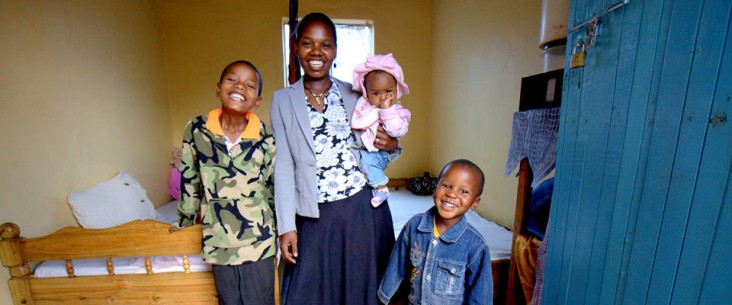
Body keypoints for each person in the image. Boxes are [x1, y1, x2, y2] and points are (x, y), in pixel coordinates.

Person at [270, 12, 401, 305]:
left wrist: (392, 144)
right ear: (295, 48)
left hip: (361, 209)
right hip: (313, 213)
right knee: (309, 291)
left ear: (335, 50)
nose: (316, 52)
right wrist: (286, 226)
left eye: (325, 45)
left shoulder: (356, 93)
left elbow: (380, 143)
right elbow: (284, 167)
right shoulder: (282, 100)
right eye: (307, 43)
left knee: (361, 289)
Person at [170, 60, 276, 305]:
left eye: (250, 85)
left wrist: (280, 228)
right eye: (232, 80)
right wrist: (184, 221)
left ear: (257, 101)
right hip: (219, 238)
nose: (239, 87)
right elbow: (190, 179)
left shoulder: (266, 135)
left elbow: (271, 185)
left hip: (258, 238)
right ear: (218, 88)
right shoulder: (197, 129)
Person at [378, 159, 493, 305]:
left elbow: (480, 296)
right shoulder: (414, 226)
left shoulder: (476, 246)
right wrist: (383, 298)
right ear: (435, 188)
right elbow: (396, 266)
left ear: (475, 202)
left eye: (463, 191)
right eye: (446, 185)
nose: (452, 194)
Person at [351, 53, 412, 207]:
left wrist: (387, 111)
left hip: (379, 154)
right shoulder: (364, 107)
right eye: (376, 93)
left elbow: (395, 132)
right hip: (367, 151)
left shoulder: (397, 111)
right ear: (366, 93)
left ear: (396, 90)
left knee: (367, 162)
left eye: (388, 92)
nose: (383, 97)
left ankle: (382, 189)